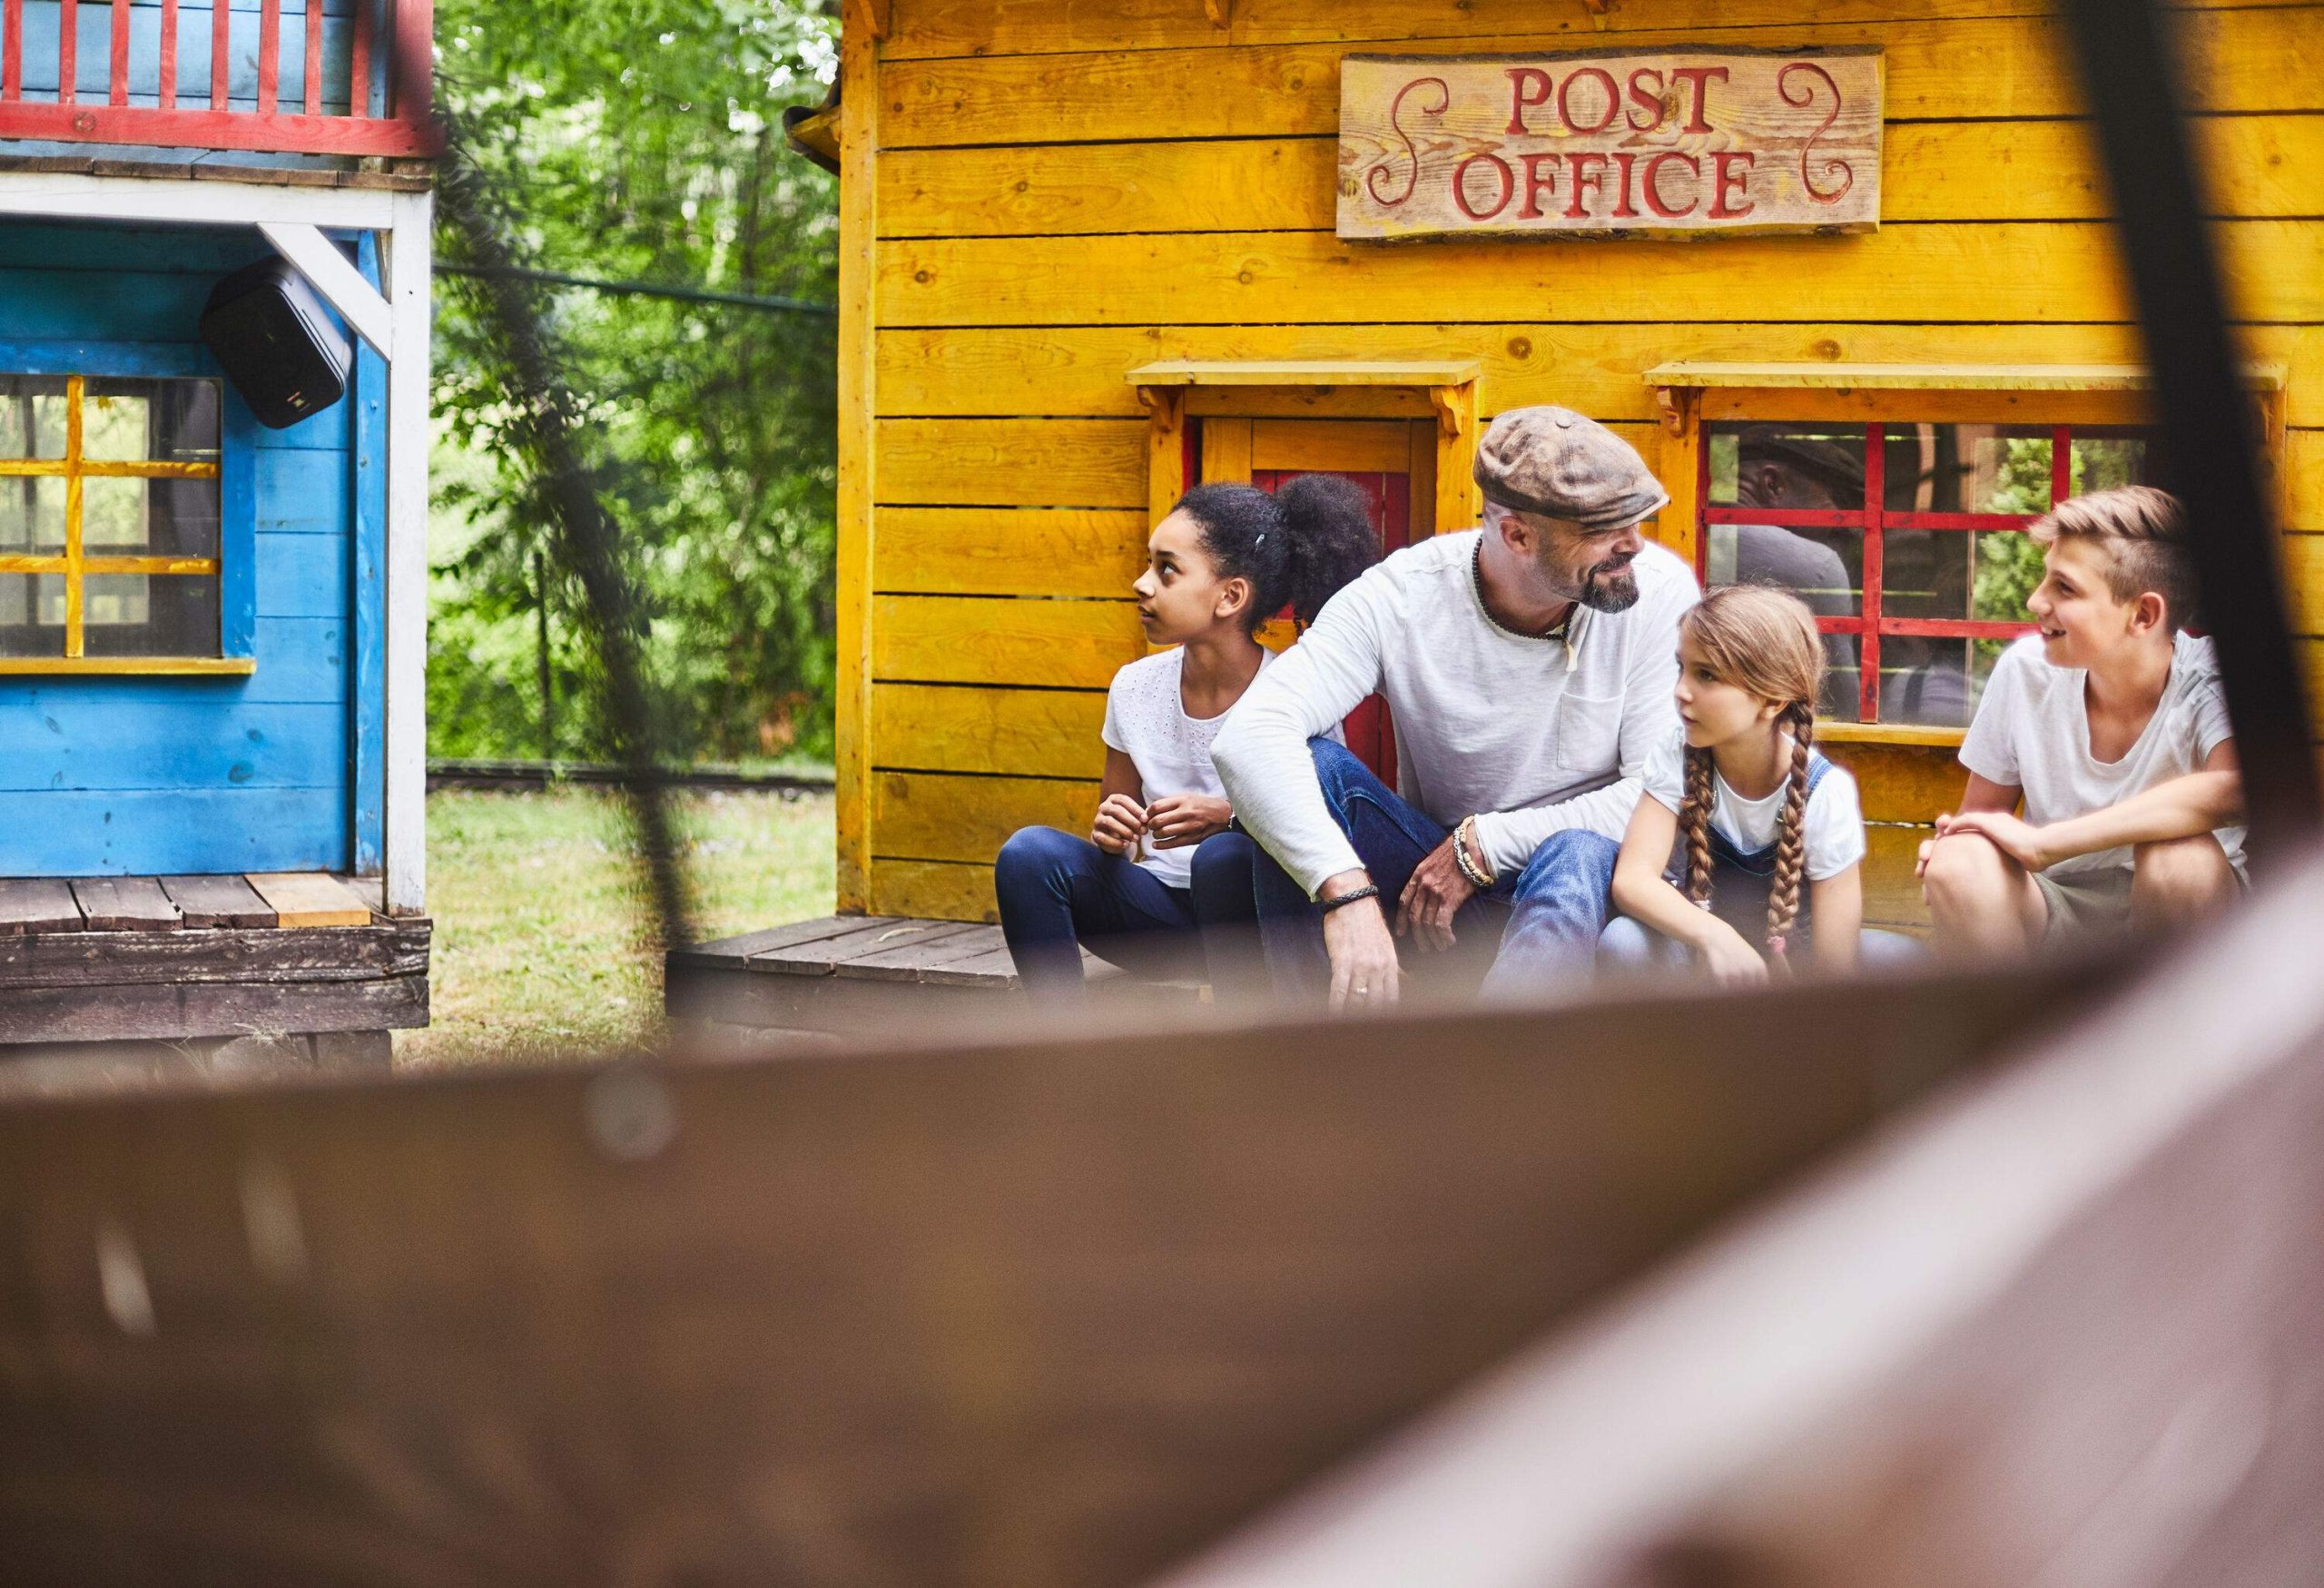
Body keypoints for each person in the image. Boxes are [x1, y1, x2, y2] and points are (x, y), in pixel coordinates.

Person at [1202, 406, 1698, 1010]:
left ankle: (1494, 1077)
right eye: (1605, 528)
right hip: (1429, 885)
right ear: (1517, 534)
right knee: (1312, 766)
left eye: (1637, 520)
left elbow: (1658, 793)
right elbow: (1250, 736)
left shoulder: (1660, 591)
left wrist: (1487, 844)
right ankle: (1324, 1062)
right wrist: (1344, 890)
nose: (1634, 544)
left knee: (1578, 850)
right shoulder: (1402, 594)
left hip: (1583, 888)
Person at [993, 474, 1380, 1004]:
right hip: (1157, 916)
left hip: (1259, 924)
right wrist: (1113, 828)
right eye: (1148, 563)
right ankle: (1064, 1049)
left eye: (1166, 570)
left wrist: (1228, 818)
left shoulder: (1296, 693)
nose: (1142, 583)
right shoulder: (1134, 686)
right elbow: (1118, 826)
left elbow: (1325, 832)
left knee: (1221, 857)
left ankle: (1243, 1045)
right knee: (1028, 855)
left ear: (1230, 597)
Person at [1917, 486, 2244, 953]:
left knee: (2181, 862)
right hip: (2054, 906)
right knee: (1958, 862)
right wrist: (1953, 848)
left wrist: (2050, 842)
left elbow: (2234, 786)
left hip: (2186, 918)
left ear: (2144, 614)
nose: (2035, 601)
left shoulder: (2211, 678)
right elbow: (1982, 818)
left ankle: (2171, 1025)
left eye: (2064, 587)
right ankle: (2024, 1025)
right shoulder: (2025, 670)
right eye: (2044, 578)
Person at [1600, 585, 1897, 982]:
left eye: (1706, 675)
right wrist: (1717, 937)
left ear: (1773, 701)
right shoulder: (1677, 753)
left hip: (1791, 978)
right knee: (1625, 941)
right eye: (1681, 668)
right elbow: (1633, 880)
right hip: (1699, 964)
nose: (1680, 691)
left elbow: (1834, 965)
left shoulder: (1826, 793)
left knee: (1900, 957)